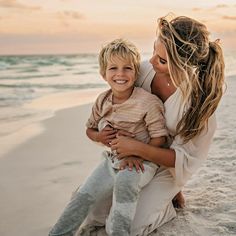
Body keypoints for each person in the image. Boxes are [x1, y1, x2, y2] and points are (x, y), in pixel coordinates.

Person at [76, 15, 225, 235]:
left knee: (130, 225)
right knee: (92, 213)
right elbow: (115, 102)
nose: (152, 61)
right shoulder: (143, 71)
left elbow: (184, 160)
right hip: (132, 158)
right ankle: (160, 193)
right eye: (154, 52)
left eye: (162, 61)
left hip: (167, 165)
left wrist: (138, 148)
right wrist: (106, 132)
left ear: (184, 67)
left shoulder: (199, 105)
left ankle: (167, 204)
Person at [49, 38, 169, 236]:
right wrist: (100, 137)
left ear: (136, 72)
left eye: (127, 68)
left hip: (143, 163)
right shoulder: (102, 100)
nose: (120, 74)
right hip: (112, 160)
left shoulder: (147, 102)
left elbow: (160, 138)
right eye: (113, 68)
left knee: (125, 181)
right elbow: (89, 129)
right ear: (103, 74)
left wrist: (137, 155)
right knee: (82, 195)